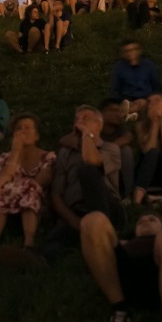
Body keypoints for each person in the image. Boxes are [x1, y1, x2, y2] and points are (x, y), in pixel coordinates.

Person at [42, 105, 123, 263]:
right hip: (77, 212)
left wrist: (87, 134)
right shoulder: (65, 154)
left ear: (98, 125)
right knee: (56, 237)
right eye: (77, 120)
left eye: (85, 119)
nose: (79, 123)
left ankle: (102, 236)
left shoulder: (110, 148)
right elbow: (56, 195)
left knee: (87, 170)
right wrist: (74, 221)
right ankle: (42, 260)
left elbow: (91, 160)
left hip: (108, 209)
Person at [0, 114, 55, 251]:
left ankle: (29, 244)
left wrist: (14, 185)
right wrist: (16, 152)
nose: (23, 131)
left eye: (27, 128)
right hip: (7, 204)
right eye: (19, 128)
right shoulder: (3, 159)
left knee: (30, 186)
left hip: (38, 205)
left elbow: (40, 183)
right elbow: (0, 183)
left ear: (36, 136)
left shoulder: (48, 157)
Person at [112, 40, 160, 120]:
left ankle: (129, 113)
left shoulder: (148, 65)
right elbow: (117, 88)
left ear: (138, 51)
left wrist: (150, 98)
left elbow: (155, 84)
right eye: (127, 51)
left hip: (144, 96)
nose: (130, 53)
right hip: (127, 97)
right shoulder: (119, 67)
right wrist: (119, 100)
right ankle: (131, 113)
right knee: (127, 103)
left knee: (142, 103)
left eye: (132, 50)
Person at [100, 98, 136, 199]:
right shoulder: (95, 126)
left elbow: (128, 138)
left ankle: (129, 194)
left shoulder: (120, 128)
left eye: (119, 111)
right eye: (113, 111)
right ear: (102, 113)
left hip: (117, 170)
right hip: (98, 167)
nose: (118, 114)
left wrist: (108, 149)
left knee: (126, 151)